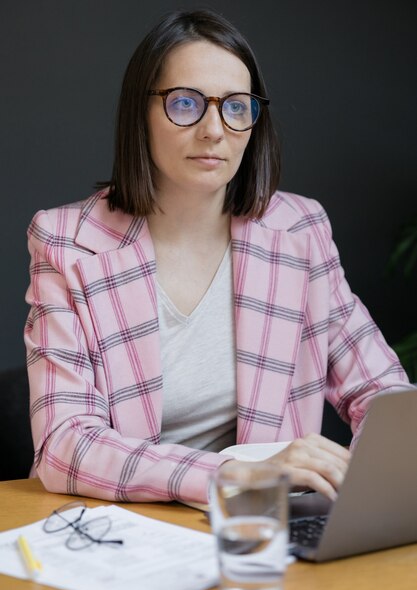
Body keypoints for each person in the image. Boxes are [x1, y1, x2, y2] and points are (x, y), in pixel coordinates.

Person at [24, 9, 412, 505]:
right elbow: (66, 444)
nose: (214, 130)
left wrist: (372, 485)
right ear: (138, 113)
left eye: (236, 106)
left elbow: (383, 393)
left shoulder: (297, 230)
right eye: (185, 104)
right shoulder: (66, 242)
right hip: (136, 530)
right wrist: (236, 474)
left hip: (268, 525)